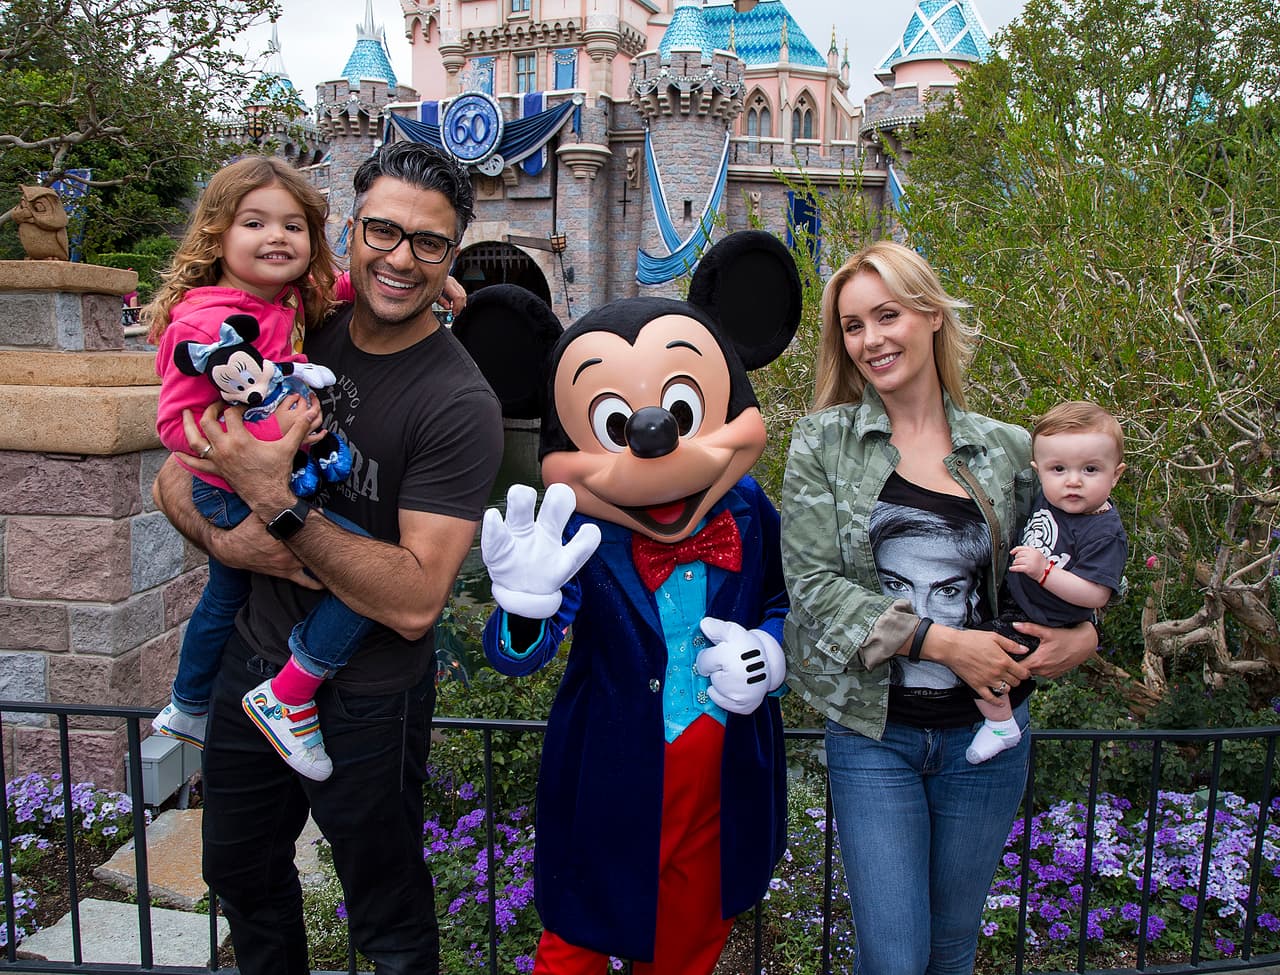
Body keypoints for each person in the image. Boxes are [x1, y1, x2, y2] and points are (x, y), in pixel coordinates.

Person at [151, 140, 503, 975]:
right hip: (252, 658)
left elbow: (417, 598)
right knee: (238, 872)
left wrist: (274, 505)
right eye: (383, 230)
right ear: (349, 229)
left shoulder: (458, 403)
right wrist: (228, 539)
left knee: (385, 914)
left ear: (451, 255)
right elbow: (175, 476)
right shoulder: (297, 326)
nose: (400, 258)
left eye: (429, 243)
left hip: (367, 699)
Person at [780, 240, 1100, 975]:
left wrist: (1085, 633)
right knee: (893, 956)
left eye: (886, 315)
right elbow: (813, 586)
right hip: (874, 735)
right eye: (853, 326)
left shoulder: (1011, 450)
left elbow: (1065, 562)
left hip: (985, 740)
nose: (870, 339)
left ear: (929, 316)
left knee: (952, 949)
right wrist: (942, 642)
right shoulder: (823, 443)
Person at [145, 155, 371, 781]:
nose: (277, 237)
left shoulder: (285, 298)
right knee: (365, 577)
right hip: (229, 488)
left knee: (224, 593)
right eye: (255, 223)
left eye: (293, 226)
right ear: (218, 234)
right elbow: (172, 428)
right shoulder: (207, 324)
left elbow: (334, 290)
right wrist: (286, 430)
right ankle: (291, 693)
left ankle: (187, 707)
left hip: (242, 483)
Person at [966, 400, 1128, 764]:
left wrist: (1045, 572)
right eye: (1058, 469)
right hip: (1018, 599)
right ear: (1040, 472)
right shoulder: (1049, 500)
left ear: (1115, 475)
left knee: (980, 658)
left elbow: (1097, 594)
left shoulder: (1104, 532)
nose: (1072, 481)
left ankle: (1001, 723)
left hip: (1045, 618)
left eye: (1090, 469)